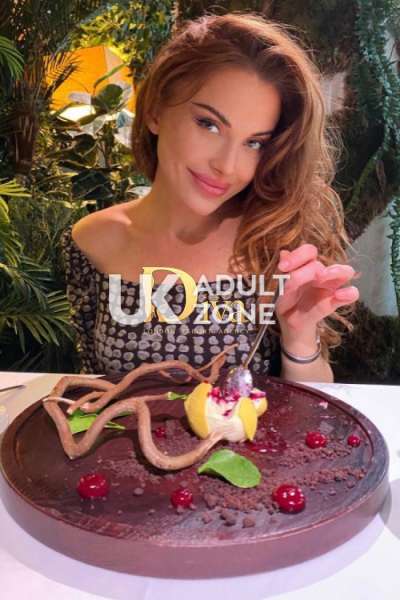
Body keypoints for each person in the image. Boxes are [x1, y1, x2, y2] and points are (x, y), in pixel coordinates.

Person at [61, 12, 359, 383]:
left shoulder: (277, 243)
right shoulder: (91, 242)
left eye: (254, 143)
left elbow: (312, 405)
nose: (227, 166)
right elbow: (91, 387)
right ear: (155, 111)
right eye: (209, 125)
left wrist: (299, 337)